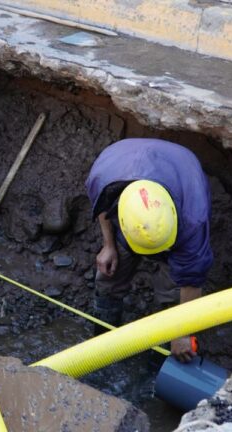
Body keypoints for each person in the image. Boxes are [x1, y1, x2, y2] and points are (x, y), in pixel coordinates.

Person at [85, 139, 213, 363]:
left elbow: (192, 279)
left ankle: (168, 353)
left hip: (179, 169)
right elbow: (102, 207)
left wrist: (182, 332)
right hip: (123, 161)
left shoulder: (193, 218)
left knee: (173, 292)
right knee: (109, 275)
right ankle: (101, 341)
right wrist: (109, 245)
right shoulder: (103, 181)